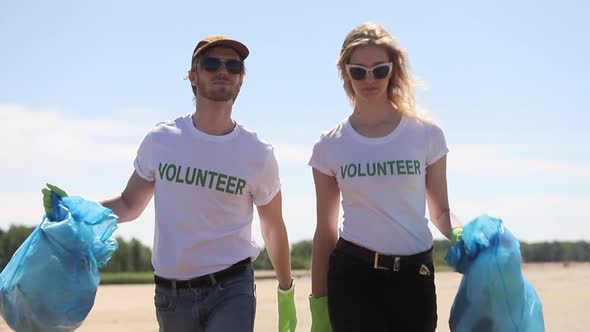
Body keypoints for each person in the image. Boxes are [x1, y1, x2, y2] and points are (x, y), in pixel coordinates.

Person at [42, 35, 297, 332]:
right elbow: (129, 204)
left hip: (231, 288)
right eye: (211, 63)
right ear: (193, 76)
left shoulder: (258, 153)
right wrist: (74, 210)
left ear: (241, 79)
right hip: (171, 295)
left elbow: (273, 226)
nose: (223, 70)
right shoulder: (161, 140)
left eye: (233, 65)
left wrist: (285, 289)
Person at [307, 23, 463, 332]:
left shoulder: (426, 135)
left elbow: (442, 212)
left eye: (379, 70)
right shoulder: (329, 145)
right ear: (345, 73)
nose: (369, 79)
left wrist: (462, 234)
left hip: (414, 276)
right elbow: (325, 232)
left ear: (392, 70)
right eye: (359, 71)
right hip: (353, 276)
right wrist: (318, 304)